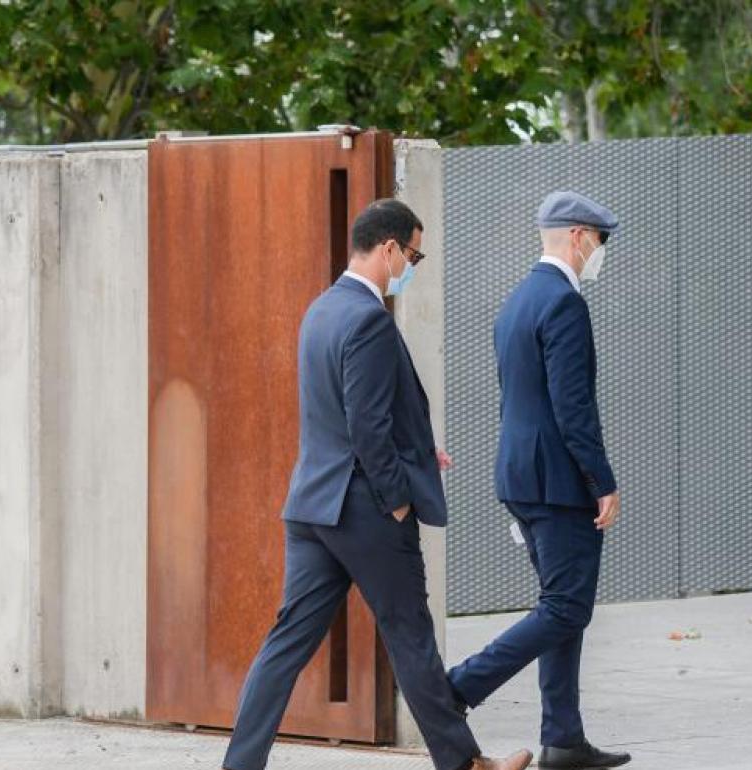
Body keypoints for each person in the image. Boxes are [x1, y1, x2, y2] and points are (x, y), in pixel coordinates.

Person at [222, 199, 531, 770]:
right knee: (410, 634)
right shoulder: (367, 318)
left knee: (286, 644)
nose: (413, 265)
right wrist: (397, 501)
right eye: (414, 254)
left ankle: (239, 766)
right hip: (365, 509)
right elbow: (365, 423)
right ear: (389, 249)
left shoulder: (320, 310)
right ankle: (464, 765)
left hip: (315, 506)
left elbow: (345, 413)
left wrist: (420, 450)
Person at [447, 191, 630, 770]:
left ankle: (564, 740)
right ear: (577, 236)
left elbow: (516, 400)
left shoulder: (517, 301)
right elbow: (572, 407)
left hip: (522, 477)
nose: (599, 253)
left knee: (562, 604)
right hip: (559, 485)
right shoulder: (564, 304)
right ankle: (457, 688)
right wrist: (601, 480)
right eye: (598, 241)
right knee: (565, 608)